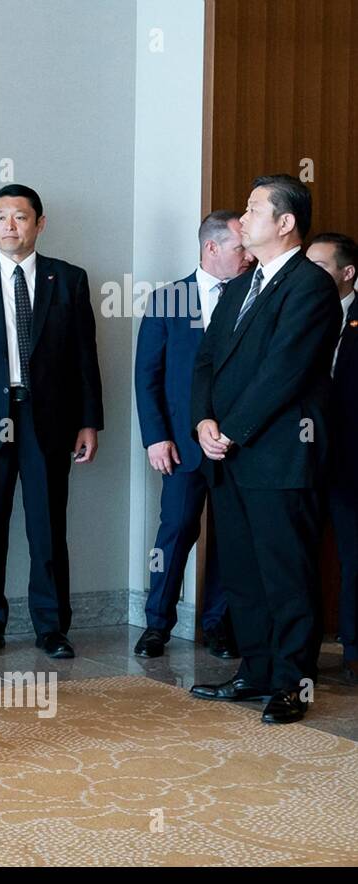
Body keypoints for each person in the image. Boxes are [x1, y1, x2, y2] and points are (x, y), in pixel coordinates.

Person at [189, 175, 341, 724]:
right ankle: (255, 671)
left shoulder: (310, 286)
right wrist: (203, 420)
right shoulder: (237, 287)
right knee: (244, 570)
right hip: (228, 455)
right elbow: (205, 361)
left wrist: (231, 429)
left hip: (278, 454)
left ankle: (292, 683)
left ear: (285, 223)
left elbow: (285, 371)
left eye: (253, 209)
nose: (241, 220)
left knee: (286, 571)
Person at [0, 184, 104, 660]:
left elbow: (84, 356)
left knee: (48, 526)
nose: (10, 226)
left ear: (40, 223)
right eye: (1, 217)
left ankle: (52, 627)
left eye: (20, 217)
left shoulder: (68, 279)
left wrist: (89, 421)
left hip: (48, 417)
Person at [132, 210, 252, 658]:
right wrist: (155, 437)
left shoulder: (252, 295)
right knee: (176, 530)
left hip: (237, 445)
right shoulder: (168, 300)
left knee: (230, 535)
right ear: (212, 248)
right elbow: (148, 375)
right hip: (182, 446)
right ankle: (157, 625)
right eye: (241, 249)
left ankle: (218, 625)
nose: (249, 258)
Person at [305, 232, 358, 684]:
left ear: (347, 273)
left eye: (319, 265)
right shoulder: (301, 313)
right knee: (297, 553)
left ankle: (353, 649)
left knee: (352, 553)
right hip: (301, 457)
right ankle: (299, 650)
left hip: (350, 460)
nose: (309, 274)